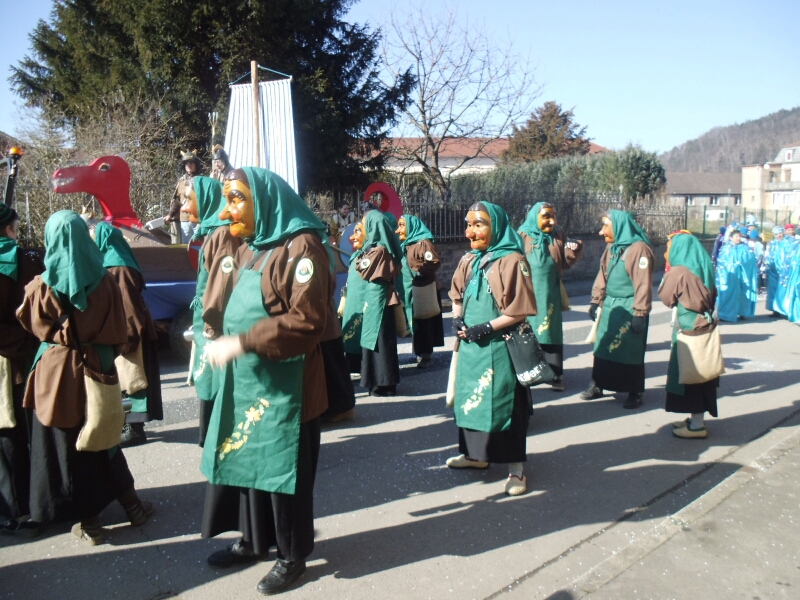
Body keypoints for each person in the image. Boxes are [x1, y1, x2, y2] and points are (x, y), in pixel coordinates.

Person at [200, 168, 332, 596]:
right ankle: (254, 541)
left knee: (284, 476)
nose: (227, 211)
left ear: (265, 200)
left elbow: (307, 321)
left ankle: (292, 556)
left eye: (236, 199)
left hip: (287, 387)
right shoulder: (252, 246)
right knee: (248, 462)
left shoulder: (303, 248)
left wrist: (242, 341)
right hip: (249, 380)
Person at [16, 211, 152, 544]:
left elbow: (32, 325)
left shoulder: (41, 286)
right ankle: (133, 507)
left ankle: (90, 523)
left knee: (70, 448)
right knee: (105, 440)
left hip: (57, 376)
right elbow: (119, 330)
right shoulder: (106, 280)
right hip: (99, 368)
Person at [447, 201, 537, 496]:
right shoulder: (469, 260)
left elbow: (519, 310)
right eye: (469, 224)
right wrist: (457, 318)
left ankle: (516, 471)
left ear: (495, 227)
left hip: (500, 349)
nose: (470, 231)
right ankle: (475, 456)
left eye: (479, 224)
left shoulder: (513, 261)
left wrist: (485, 327)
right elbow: (456, 294)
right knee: (471, 403)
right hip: (471, 350)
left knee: (506, 408)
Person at [180, 176, 242, 446]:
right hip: (209, 324)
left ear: (205, 200)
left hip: (217, 327)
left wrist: (211, 326)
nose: (184, 207)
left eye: (188, 200)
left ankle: (218, 441)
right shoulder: (212, 233)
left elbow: (223, 287)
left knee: (216, 383)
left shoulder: (223, 235)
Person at [93, 222, 163, 447]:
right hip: (124, 330)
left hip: (130, 333)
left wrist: (128, 340)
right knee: (126, 380)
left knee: (133, 379)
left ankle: (134, 429)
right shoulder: (112, 261)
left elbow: (128, 306)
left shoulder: (119, 267)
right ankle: (127, 425)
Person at [581, 211, 654, 409]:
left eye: (606, 226)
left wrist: (640, 313)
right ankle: (597, 385)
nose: (601, 231)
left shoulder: (639, 249)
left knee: (630, 351)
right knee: (603, 348)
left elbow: (643, 284)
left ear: (619, 226)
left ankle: (634, 392)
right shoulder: (612, 247)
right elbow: (603, 274)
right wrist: (596, 300)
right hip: (610, 306)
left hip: (630, 308)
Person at [0, 205, 43, 535]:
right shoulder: (27, 259)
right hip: (21, 354)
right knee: (22, 430)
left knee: (6, 433)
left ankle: (12, 508)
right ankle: (30, 506)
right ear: (10, 229)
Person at [658, 232, 719, 439]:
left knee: (690, 373)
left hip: (688, 326)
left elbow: (666, 298)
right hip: (704, 322)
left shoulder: (679, 271)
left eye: (669, 247)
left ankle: (697, 426)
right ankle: (696, 419)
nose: (666, 252)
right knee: (702, 372)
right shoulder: (704, 266)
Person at [518, 202, 584, 391]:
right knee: (527, 334)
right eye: (546, 216)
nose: (552, 221)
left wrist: (573, 249)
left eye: (553, 216)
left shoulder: (558, 235)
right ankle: (528, 374)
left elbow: (566, 261)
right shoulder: (522, 236)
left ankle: (555, 375)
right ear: (534, 217)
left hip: (550, 295)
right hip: (528, 295)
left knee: (551, 333)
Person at [341, 210, 402, 396]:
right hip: (374, 300)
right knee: (373, 342)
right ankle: (375, 380)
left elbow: (363, 269)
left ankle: (384, 383)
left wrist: (362, 256)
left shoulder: (380, 250)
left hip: (379, 301)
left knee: (380, 342)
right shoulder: (375, 249)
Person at [395, 214, 445, 369]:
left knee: (424, 322)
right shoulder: (408, 245)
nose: (398, 230)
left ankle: (426, 355)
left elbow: (433, 262)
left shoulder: (423, 244)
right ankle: (420, 351)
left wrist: (420, 275)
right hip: (411, 291)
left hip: (423, 291)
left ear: (412, 226)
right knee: (416, 321)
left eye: (402, 225)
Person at [715, 228, 758, 322]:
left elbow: (751, 261)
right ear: (731, 238)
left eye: (739, 236)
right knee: (728, 294)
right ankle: (725, 314)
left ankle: (742, 312)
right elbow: (722, 262)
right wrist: (732, 266)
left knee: (743, 293)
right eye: (736, 236)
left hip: (743, 275)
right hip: (731, 276)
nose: (738, 238)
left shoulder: (745, 248)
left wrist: (742, 263)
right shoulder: (726, 248)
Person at [165, 150, 202, 244]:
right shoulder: (181, 181)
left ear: (196, 164)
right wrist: (170, 215)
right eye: (186, 163)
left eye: (191, 163)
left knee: (200, 246)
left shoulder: (202, 180)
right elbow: (177, 201)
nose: (189, 165)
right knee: (187, 247)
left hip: (199, 219)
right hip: (185, 220)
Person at [764, 227, 794, 317]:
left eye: (780, 233)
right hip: (773, 271)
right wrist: (767, 265)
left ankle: (786, 310)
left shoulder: (789, 243)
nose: (778, 236)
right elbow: (770, 256)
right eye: (776, 234)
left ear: (783, 232)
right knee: (773, 290)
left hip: (785, 271)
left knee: (784, 290)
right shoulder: (773, 243)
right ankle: (775, 309)